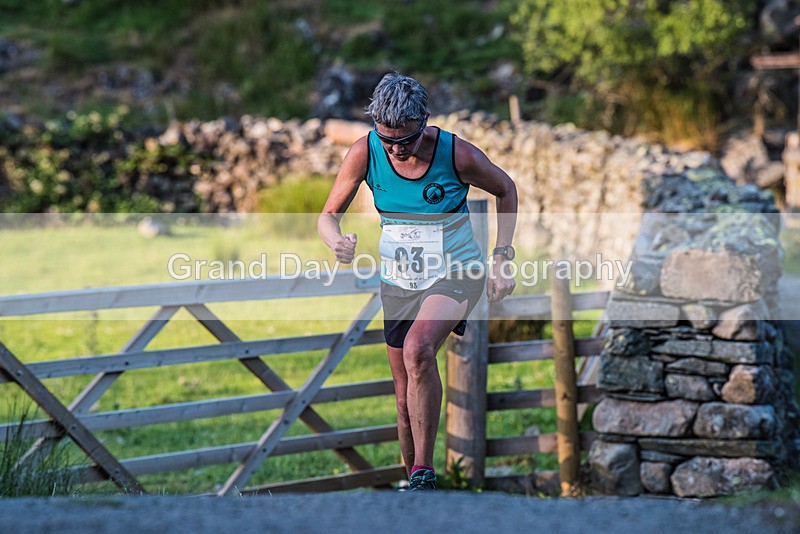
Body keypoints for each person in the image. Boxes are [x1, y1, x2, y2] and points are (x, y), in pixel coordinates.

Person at [318, 72, 517, 491]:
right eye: (387, 139)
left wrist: (501, 257)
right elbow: (328, 215)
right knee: (404, 391)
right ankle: (414, 487)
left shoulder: (456, 154)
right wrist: (337, 241)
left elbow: (505, 189)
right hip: (400, 280)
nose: (396, 149)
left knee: (418, 349)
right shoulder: (365, 151)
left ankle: (424, 471)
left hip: (457, 271)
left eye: (405, 140)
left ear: (424, 121)